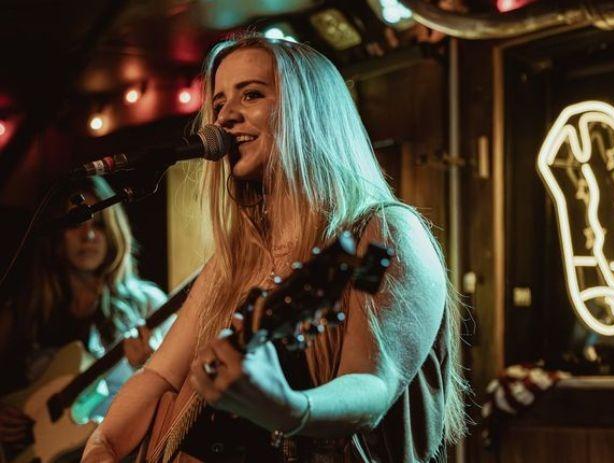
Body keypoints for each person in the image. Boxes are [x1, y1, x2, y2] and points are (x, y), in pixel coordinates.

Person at [82, 35, 467, 463]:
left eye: (252, 94)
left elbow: (374, 385)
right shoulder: (237, 258)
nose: (225, 117)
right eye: (220, 102)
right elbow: (159, 375)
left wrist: (287, 407)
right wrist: (103, 446)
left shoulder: (385, 230)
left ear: (310, 111)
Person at [0, 176, 167, 458]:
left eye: (99, 224)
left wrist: (150, 367)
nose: (88, 235)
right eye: (77, 222)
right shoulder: (25, 309)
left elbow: (179, 392)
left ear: (114, 231)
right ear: (56, 233)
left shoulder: (147, 303)